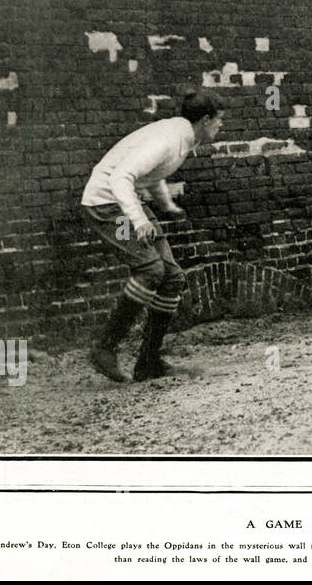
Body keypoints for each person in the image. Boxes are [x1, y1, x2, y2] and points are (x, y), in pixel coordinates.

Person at [80, 90, 225, 382]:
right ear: (206, 119)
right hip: (106, 203)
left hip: (126, 200)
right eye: (219, 120)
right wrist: (138, 219)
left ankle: (148, 361)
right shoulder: (168, 139)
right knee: (150, 269)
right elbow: (121, 176)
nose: (221, 126)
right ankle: (104, 348)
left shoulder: (182, 137)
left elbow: (155, 172)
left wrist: (167, 205)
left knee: (172, 277)